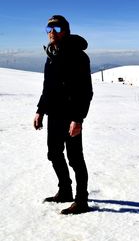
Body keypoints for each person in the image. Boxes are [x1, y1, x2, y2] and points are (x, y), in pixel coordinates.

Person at [33, 15, 93, 215]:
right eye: (49, 29)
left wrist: (78, 119)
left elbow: (86, 91)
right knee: (54, 154)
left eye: (57, 28)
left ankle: (81, 200)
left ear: (66, 31)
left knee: (75, 159)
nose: (52, 32)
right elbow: (47, 88)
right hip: (54, 116)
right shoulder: (51, 55)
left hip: (71, 116)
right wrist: (40, 111)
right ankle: (65, 190)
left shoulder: (78, 56)